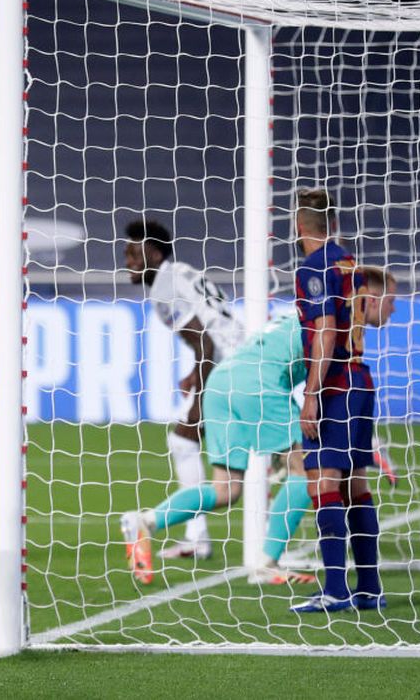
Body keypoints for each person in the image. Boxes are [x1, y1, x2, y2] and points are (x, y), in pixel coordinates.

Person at [121, 271, 394, 586]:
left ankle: (145, 521)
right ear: (370, 300)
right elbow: (329, 392)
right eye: (391, 301)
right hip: (258, 385)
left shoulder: (310, 311)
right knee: (305, 470)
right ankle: (267, 564)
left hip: (223, 383)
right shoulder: (336, 325)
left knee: (226, 490)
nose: (394, 309)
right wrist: (367, 443)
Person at [289, 190, 390, 613]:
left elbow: (327, 330)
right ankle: (368, 587)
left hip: (336, 385)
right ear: (329, 225)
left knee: (325, 479)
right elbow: (364, 316)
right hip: (361, 378)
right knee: (355, 483)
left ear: (299, 227)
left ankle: (335, 589)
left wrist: (311, 392)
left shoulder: (313, 268)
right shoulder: (351, 265)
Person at [124, 219, 244, 560]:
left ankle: (196, 537)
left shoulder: (164, 288)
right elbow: (209, 332)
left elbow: (204, 342)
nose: (127, 260)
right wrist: (194, 374)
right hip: (239, 358)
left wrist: (197, 405)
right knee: (188, 445)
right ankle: (197, 537)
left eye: (134, 252)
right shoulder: (181, 271)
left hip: (230, 370)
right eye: (126, 252)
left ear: (154, 252)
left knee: (186, 441)